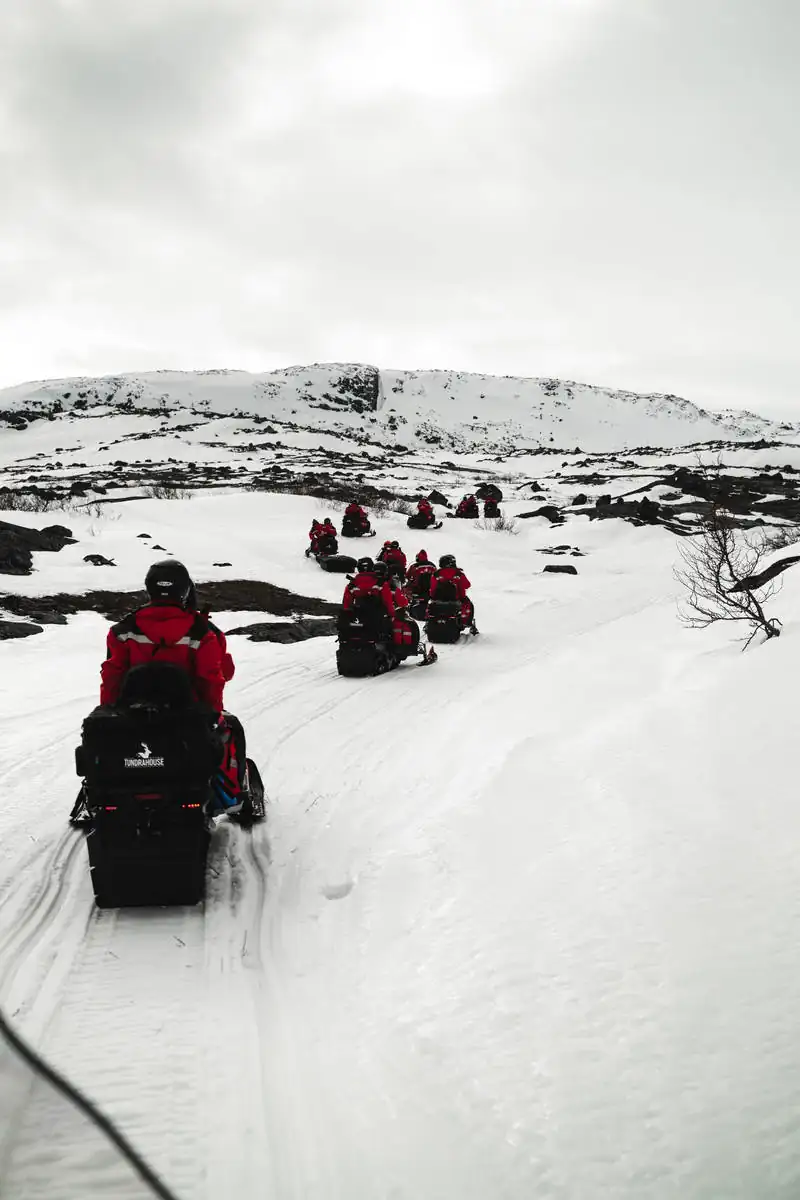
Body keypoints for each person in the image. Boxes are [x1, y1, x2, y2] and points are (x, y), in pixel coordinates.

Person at [99, 560, 245, 810]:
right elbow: (213, 678)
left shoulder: (123, 629)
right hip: (187, 720)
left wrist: (109, 713)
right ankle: (231, 798)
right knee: (233, 730)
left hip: (134, 717)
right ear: (185, 590)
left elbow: (112, 676)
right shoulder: (202, 631)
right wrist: (213, 714)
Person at [430, 553, 474, 625]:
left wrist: (432, 597)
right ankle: (466, 622)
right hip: (457, 599)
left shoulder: (436, 574)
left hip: (438, 600)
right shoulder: (458, 573)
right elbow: (467, 585)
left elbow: (432, 587)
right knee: (469, 605)